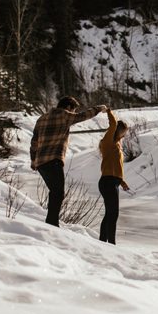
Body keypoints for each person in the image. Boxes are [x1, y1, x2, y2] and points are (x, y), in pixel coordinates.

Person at [30, 96, 105, 226]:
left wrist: (33, 160)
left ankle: (51, 222)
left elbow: (34, 142)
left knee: (55, 192)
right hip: (53, 160)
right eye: (73, 110)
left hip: (41, 163)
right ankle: (52, 224)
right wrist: (100, 108)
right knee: (58, 193)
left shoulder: (42, 118)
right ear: (69, 107)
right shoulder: (65, 115)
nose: (74, 113)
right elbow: (84, 115)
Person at [98, 107, 130, 244]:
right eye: (123, 132)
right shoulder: (108, 141)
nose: (124, 135)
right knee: (113, 213)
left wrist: (121, 181)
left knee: (110, 213)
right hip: (107, 182)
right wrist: (109, 111)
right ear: (118, 130)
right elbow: (112, 124)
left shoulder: (116, 145)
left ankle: (103, 242)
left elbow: (116, 166)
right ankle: (110, 244)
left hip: (113, 182)